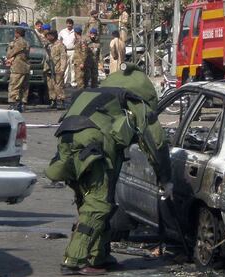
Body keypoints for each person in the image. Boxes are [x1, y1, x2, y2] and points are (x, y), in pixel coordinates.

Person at [45, 63, 172, 276]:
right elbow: (156, 143)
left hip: (68, 142)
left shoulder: (97, 94)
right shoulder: (133, 101)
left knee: (91, 200)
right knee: (98, 204)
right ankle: (74, 259)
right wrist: (165, 179)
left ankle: (99, 256)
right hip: (92, 147)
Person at [6, 27, 30, 112]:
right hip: (25, 67)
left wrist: (10, 47)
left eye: (15, 33)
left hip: (18, 67)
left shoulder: (18, 42)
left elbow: (9, 54)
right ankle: (22, 103)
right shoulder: (26, 42)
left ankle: (13, 104)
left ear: (17, 33)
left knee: (14, 86)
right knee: (24, 87)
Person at [44, 30, 67, 110]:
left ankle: (61, 101)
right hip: (49, 68)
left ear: (53, 36)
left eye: (49, 35)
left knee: (58, 86)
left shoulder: (60, 45)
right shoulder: (48, 45)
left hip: (57, 68)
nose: (47, 37)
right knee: (50, 86)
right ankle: (53, 100)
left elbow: (63, 57)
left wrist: (62, 69)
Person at [59, 18, 76, 87]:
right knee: (65, 67)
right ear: (66, 24)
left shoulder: (74, 32)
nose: (69, 25)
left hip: (73, 50)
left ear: (72, 24)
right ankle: (65, 82)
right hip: (65, 51)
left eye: (70, 24)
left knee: (73, 67)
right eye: (68, 23)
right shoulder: (62, 31)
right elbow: (59, 39)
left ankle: (73, 82)